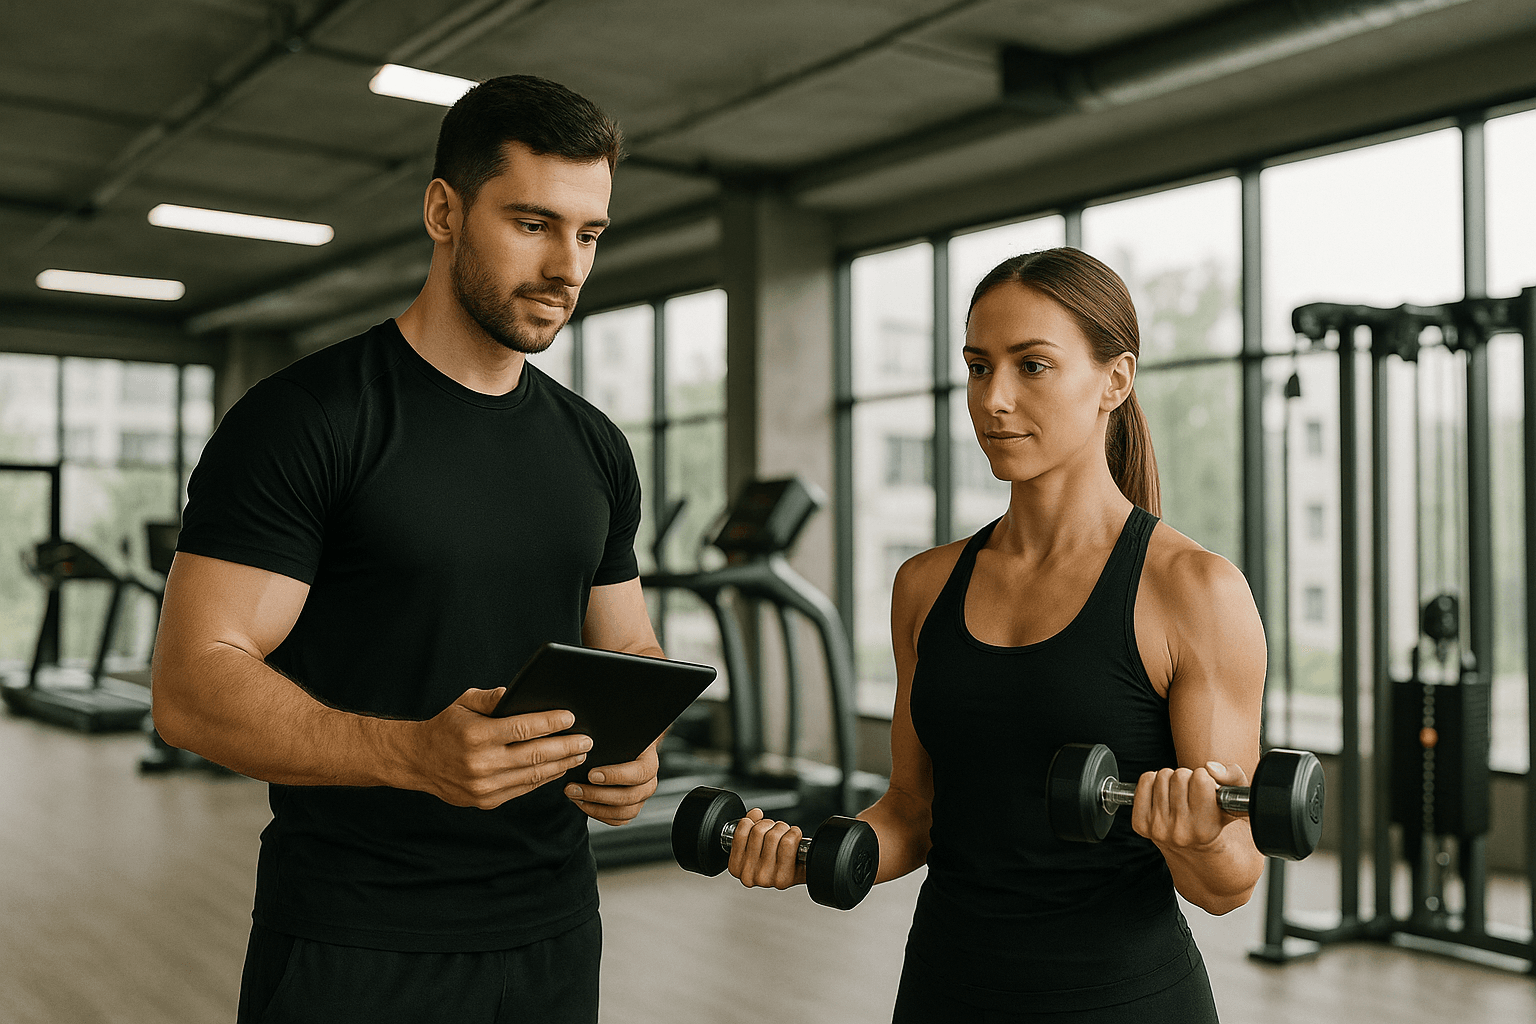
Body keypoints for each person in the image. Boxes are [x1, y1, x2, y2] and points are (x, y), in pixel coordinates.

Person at [152, 75, 663, 1024]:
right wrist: (412, 755)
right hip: (359, 939)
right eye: (532, 223)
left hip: (555, 928)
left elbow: (627, 645)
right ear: (443, 210)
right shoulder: (307, 420)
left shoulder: (595, 444)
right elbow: (191, 685)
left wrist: (637, 742)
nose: (567, 266)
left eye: (589, 233)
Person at [727, 247, 1267, 1021]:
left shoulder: (1193, 591)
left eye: (1032, 366)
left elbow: (1230, 883)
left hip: (1122, 1001)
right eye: (979, 367)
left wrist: (1197, 838)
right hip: (945, 992)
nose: (994, 399)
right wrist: (810, 853)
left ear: (1115, 380)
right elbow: (914, 812)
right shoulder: (926, 585)